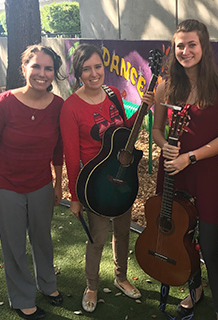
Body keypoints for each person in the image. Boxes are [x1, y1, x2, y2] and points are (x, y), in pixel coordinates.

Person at [60, 44, 155, 313]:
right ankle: (92, 285)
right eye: (86, 69)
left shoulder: (112, 94)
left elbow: (124, 133)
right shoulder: (71, 108)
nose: (93, 73)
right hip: (96, 184)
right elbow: (71, 155)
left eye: (98, 67)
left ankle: (121, 277)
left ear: (104, 68)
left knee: (123, 232)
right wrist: (75, 198)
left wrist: (143, 109)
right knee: (97, 239)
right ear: (78, 73)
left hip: (122, 176)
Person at [152, 19, 218, 320]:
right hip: (173, 170)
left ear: (204, 46)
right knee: (180, 238)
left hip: (205, 172)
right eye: (180, 46)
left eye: (191, 45)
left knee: (211, 245)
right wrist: (165, 146)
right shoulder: (166, 85)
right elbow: (157, 131)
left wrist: (190, 157)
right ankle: (195, 289)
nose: (185, 51)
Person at [0, 45, 65, 320]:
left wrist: (58, 184)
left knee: (43, 240)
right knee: (14, 245)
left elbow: (58, 151)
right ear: (24, 68)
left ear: (54, 73)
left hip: (40, 185)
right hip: (5, 187)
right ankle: (22, 298)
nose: (41, 73)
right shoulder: (3, 103)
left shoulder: (58, 106)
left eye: (48, 68)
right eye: (36, 66)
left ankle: (48, 285)